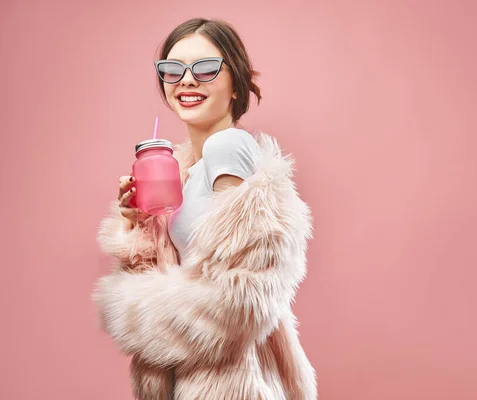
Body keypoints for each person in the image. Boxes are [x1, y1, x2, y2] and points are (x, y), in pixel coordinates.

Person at [92, 18, 317, 400]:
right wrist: (138, 226)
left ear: (236, 84)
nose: (187, 80)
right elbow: (182, 269)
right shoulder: (182, 169)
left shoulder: (225, 147)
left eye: (206, 68)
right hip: (192, 380)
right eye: (173, 69)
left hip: (230, 385)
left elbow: (236, 302)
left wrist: (127, 308)